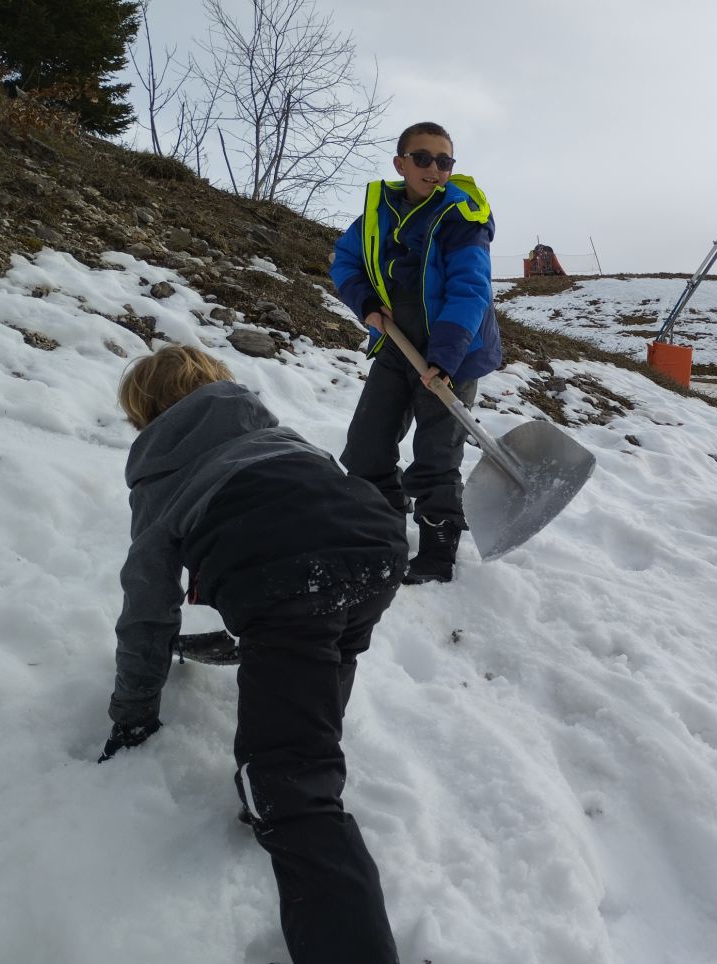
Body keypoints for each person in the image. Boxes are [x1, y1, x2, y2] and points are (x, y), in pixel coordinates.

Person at [98, 344, 405, 964]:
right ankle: (286, 759)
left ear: (145, 414)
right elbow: (317, 515)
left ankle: (285, 788)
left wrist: (133, 713)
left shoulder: (160, 475)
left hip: (287, 575)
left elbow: (148, 611)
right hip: (377, 546)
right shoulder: (276, 434)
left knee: (292, 782)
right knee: (330, 645)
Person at [331, 120, 500, 585]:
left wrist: (445, 358)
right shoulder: (379, 213)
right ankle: (383, 527)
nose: (434, 169)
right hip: (397, 344)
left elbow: (470, 289)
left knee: (436, 454)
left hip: (453, 350)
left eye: (444, 161)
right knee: (366, 445)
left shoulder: (461, 216)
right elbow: (344, 260)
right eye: (422, 158)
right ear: (400, 163)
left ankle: (437, 552)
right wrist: (366, 303)